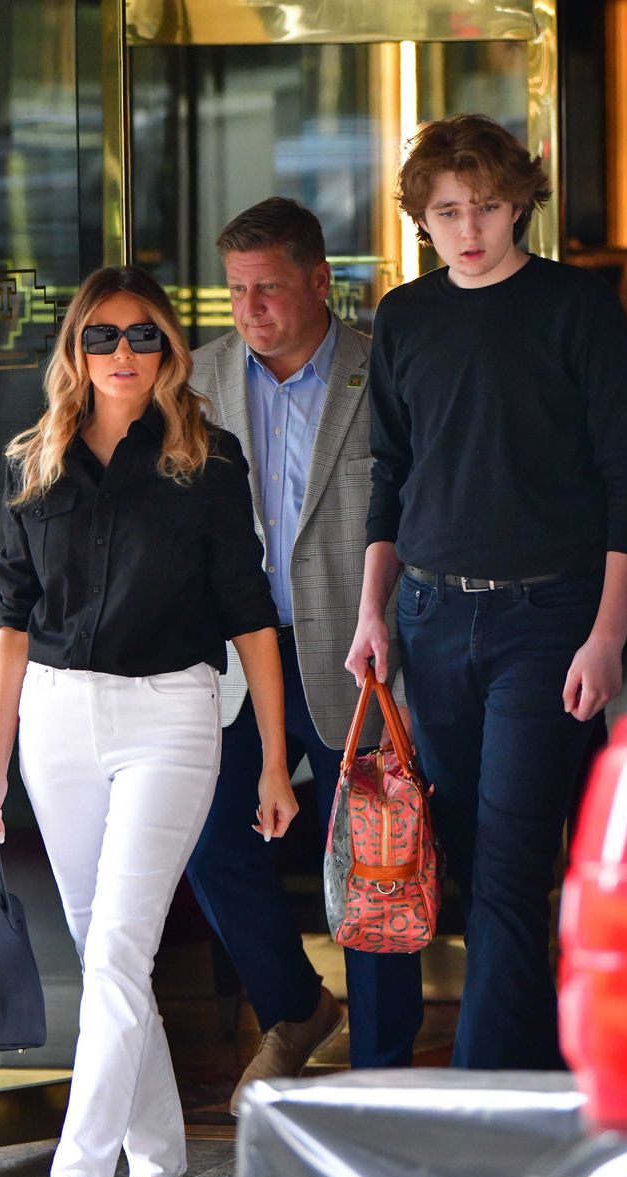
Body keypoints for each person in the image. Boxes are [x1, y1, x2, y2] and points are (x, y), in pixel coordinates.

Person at [0, 265, 296, 1177]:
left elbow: (250, 616)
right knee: (104, 948)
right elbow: (11, 622)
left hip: (170, 718)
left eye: (142, 335)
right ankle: (158, 1158)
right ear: (76, 349)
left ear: (168, 350)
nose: (122, 353)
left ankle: (75, 1176)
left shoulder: (207, 460)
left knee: (116, 949)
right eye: (101, 336)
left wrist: (274, 760)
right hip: (58, 721)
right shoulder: (34, 460)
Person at [346, 114, 627, 1071]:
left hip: (548, 619)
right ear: (422, 219)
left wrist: (607, 634)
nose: (469, 228)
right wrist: (372, 611)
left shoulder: (576, 307)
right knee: (473, 863)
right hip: (431, 616)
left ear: (521, 202)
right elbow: (391, 474)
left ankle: (478, 1096)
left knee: (514, 867)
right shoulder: (405, 317)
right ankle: (530, 1074)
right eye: (448, 211)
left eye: (485, 206)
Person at [186, 198, 425, 1113]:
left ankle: (382, 1075)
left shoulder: (382, 368)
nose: (251, 309)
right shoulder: (196, 378)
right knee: (210, 837)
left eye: (270, 288)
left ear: (321, 281)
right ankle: (295, 1008)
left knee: (374, 855)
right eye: (237, 290)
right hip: (238, 658)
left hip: (359, 653)